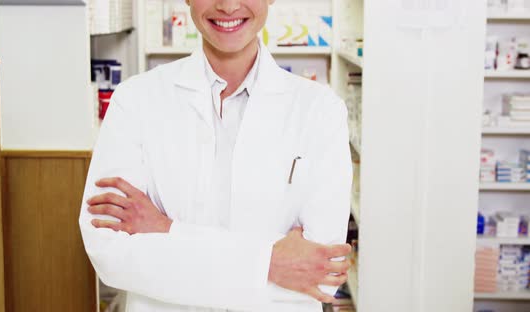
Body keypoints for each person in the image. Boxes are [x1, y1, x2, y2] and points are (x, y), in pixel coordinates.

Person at [79, 0, 353, 311]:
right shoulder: (135, 101)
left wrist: (169, 230)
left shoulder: (320, 111)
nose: (228, 5)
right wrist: (272, 263)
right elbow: (110, 254)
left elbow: (321, 272)